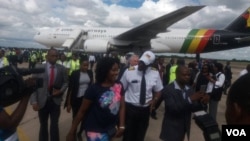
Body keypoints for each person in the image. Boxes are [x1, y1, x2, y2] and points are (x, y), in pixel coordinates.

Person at [66, 57, 125, 141]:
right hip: (95, 131)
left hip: (110, 128)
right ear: (105, 70)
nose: (117, 73)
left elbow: (122, 106)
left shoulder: (119, 85)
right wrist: (71, 132)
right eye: (113, 70)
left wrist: (122, 125)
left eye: (117, 70)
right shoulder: (94, 89)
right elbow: (82, 111)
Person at [120, 50, 163, 141]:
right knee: (128, 136)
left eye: (144, 63)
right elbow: (121, 89)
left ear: (150, 64)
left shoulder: (155, 73)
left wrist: (155, 99)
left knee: (140, 136)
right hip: (130, 109)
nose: (140, 64)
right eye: (141, 61)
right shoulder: (129, 71)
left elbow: (158, 90)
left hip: (145, 111)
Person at [30, 48, 68, 141]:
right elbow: (33, 86)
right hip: (42, 101)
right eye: (52, 56)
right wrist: (34, 101)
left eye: (56, 56)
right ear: (47, 57)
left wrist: (61, 91)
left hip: (55, 101)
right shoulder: (39, 68)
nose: (55, 58)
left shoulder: (62, 69)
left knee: (54, 124)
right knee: (43, 124)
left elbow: (66, 82)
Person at [159, 65, 205, 141]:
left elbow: (193, 108)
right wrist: (190, 99)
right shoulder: (168, 89)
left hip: (184, 128)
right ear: (177, 75)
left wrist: (202, 101)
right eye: (184, 75)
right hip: (171, 129)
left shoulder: (189, 89)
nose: (187, 77)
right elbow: (173, 109)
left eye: (189, 75)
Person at [65, 58, 93, 141]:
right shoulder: (75, 73)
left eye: (87, 65)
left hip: (86, 99)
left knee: (85, 118)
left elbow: (91, 84)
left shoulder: (90, 72)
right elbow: (70, 89)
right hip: (76, 99)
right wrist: (68, 103)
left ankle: (80, 133)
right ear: (80, 65)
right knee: (75, 117)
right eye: (84, 65)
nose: (86, 67)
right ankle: (73, 133)